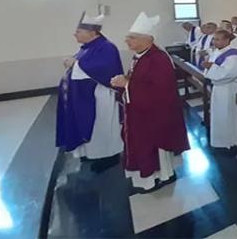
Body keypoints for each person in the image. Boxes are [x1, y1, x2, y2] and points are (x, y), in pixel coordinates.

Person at [110, 12, 189, 193]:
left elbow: (160, 89)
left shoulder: (158, 58)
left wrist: (128, 84)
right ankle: (156, 176)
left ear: (147, 39)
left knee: (154, 147)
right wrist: (124, 81)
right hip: (142, 111)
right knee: (143, 144)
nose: (127, 41)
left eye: (132, 37)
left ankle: (161, 176)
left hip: (155, 113)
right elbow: (139, 80)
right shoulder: (140, 56)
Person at [56, 13, 124, 172]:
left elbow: (103, 69)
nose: (75, 34)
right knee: (91, 127)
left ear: (92, 33)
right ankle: (90, 153)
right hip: (85, 97)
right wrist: (74, 63)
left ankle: (109, 157)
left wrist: (76, 63)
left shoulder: (107, 47)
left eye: (79, 31)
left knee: (102, 126)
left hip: (100, 96)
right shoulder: (87, 48)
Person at [202, 30, 237, 150]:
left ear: (227, 40)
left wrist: (212, 67)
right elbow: (214, 69)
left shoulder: (234, 55)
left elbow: (229, 74)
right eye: (214, 39)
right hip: (220, 89)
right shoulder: (218, 52)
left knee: (229, 115)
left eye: (217, 39)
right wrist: (210, 67)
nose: (214, 42)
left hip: (230, 89)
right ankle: (220, 139)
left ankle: (231, 141)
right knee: (220, 115)